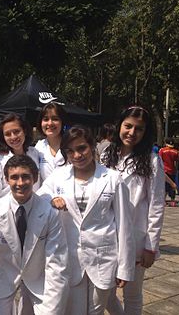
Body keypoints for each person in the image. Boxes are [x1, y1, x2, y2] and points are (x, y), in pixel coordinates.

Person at [38, 125, 135, 315]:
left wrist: (124, 268)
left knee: (95, 310)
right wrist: (51, 199)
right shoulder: (59, 176)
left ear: (92, 146)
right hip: (71, 258)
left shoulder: (112, 178)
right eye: (70, 151)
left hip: (103, 258)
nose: (77, 155)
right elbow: (40, 197)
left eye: (81, 148)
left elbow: (125, 226)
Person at [0, 155, 69, 314]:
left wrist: (54, 305)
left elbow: (57, 262)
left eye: (25, 177)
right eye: (14, 177)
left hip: (41, 279)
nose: (20, 183)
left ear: (35, 178)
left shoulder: (49, 213)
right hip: (3, 276)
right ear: (6, 180)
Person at [102, 106, 165, 315]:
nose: (131, 132)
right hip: (108, 237)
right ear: (119, 125)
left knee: (132, 295)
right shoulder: (106, 156)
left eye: (139, 129)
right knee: (105, 292)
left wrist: (151, 246)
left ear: (145, 132)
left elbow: (157, 205)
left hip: (136, 239)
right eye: (128, 126)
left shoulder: (151, 160)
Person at [0, 113, 41, 204]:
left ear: (24, 130)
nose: (13, 137)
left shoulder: (35, 153)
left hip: (35, 207)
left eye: (16, 131)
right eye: (8, 134)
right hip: (8, 210)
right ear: (3, 137)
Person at [35, 102, 67, 182]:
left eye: (55, 119)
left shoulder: (70, 145)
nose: (50, 123)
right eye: (46, 119)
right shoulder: (39, 147)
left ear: (62, 122)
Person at [159, 138, 179, 205]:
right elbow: (177, 162)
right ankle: (173, 200)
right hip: (172, 170)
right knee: (172, 186)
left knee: (164, 186)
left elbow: (159, 160)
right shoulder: (176, 152)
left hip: (164, 171)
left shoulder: (162, 150)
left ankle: (163, 200)